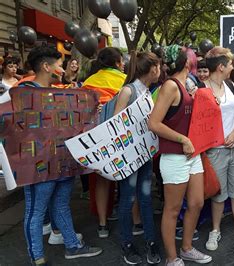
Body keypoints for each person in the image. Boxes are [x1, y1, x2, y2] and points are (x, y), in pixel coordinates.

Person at [17, 45, 102, 266]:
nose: (63, 69)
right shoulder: (24, 93)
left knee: (61, 206)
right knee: (36, 212)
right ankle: (37, 257)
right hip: (40, 166)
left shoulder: (62, 92)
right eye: (58, 65)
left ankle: (72, 246)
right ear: (46, 66)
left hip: (64, 161)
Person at [148, 45, 212, 265]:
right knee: (173, 209)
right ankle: (172, 258)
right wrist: (183, 140)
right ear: (188, 62)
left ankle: (186, 248)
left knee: (196, 203)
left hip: (192, 154)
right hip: (175, 156)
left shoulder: (186, 86)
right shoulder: (171, 86)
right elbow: (153, 123)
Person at [82, 47, 143, 239]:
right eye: (121, 61)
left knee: (101, 180)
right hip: (122, 137)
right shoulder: (124, 82)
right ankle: (136, 222)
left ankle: (102, 224)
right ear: (117, 63)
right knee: (129, 178)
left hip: (96, 137)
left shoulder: (88, 82)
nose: (124, 64)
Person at [113, 51, 162, 264]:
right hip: (129, 158)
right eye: (158, 66)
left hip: (145, 155)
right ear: (152, 69)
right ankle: (127, 243)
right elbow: (115, 126)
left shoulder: (148, 92)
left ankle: (151, 241)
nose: (160, 71)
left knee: (145, 198)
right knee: (127, 199)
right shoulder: (128, 91)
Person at [202, 47, 234, 255]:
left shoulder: (230, 85)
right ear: (221, 67)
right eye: (230, 64)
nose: (232, 67)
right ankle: (215, 230)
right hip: (215, 151)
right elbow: (201, 124)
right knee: (218, 195)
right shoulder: (202, 90)